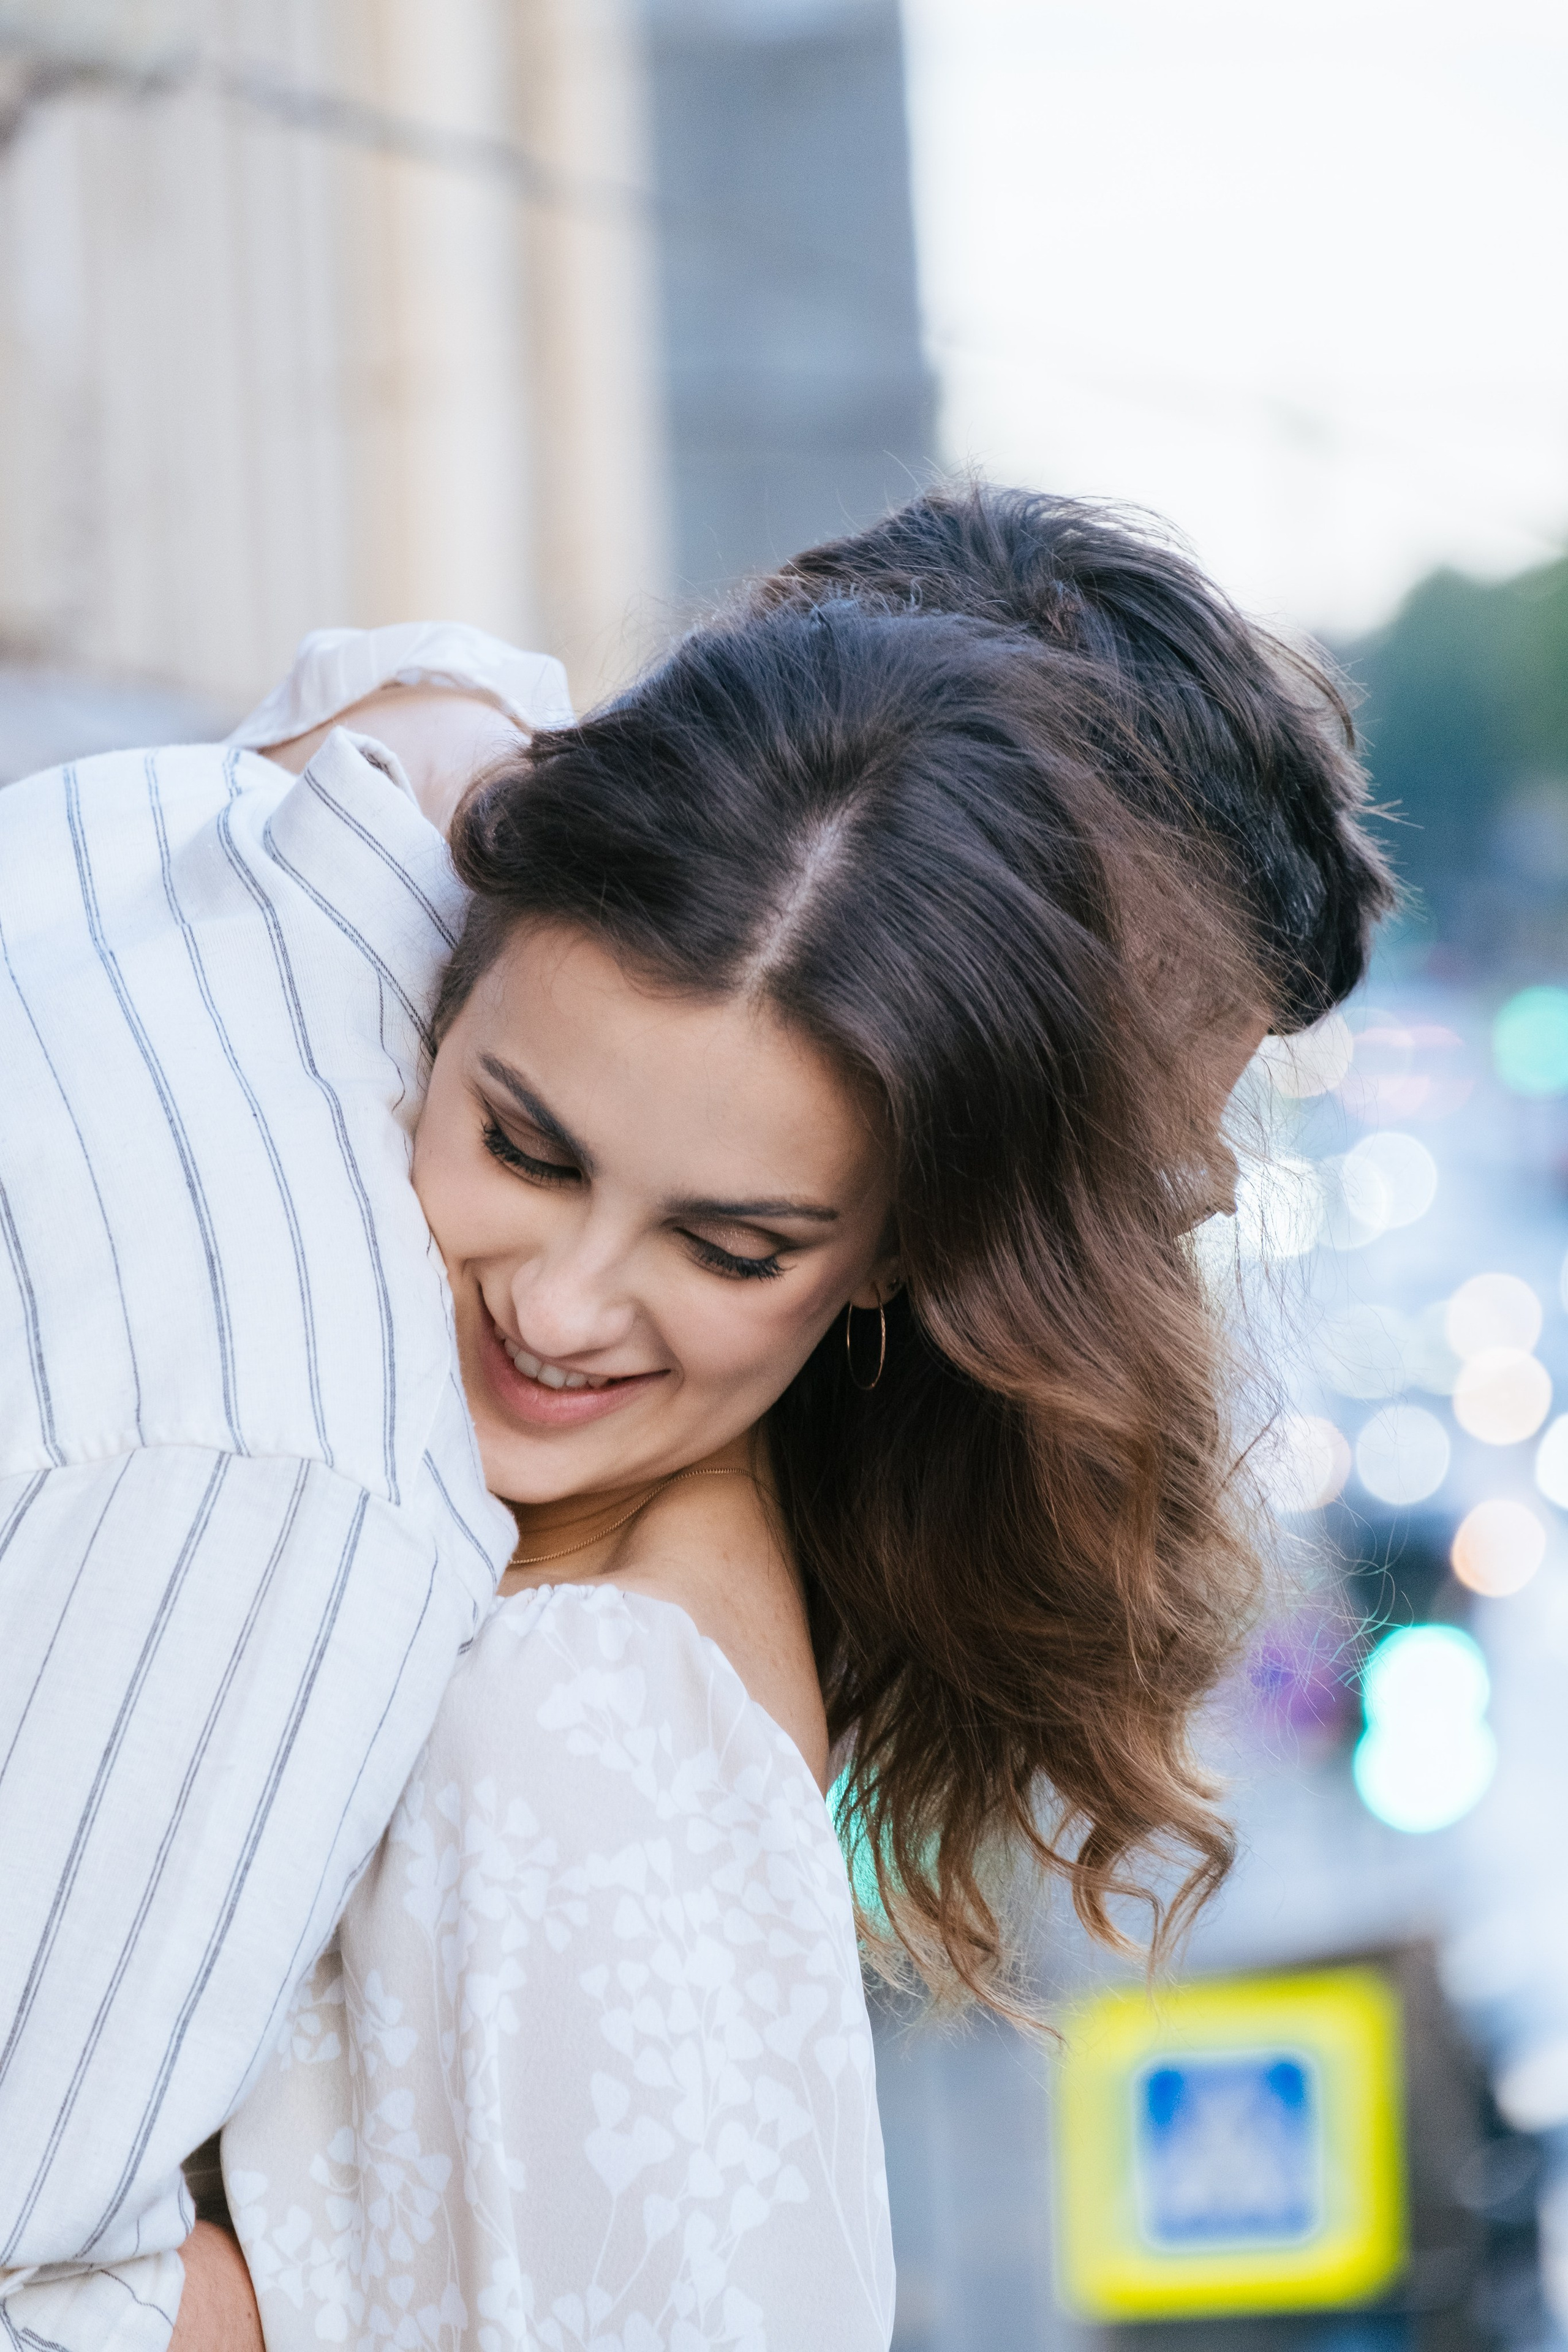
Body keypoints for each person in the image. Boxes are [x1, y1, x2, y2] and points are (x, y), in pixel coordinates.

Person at [0, 487, 1392, 2352]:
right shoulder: (386, 1542)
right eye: (1129, 1139)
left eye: (737, 1243)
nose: (1183, 1201)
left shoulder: (598, 1624)